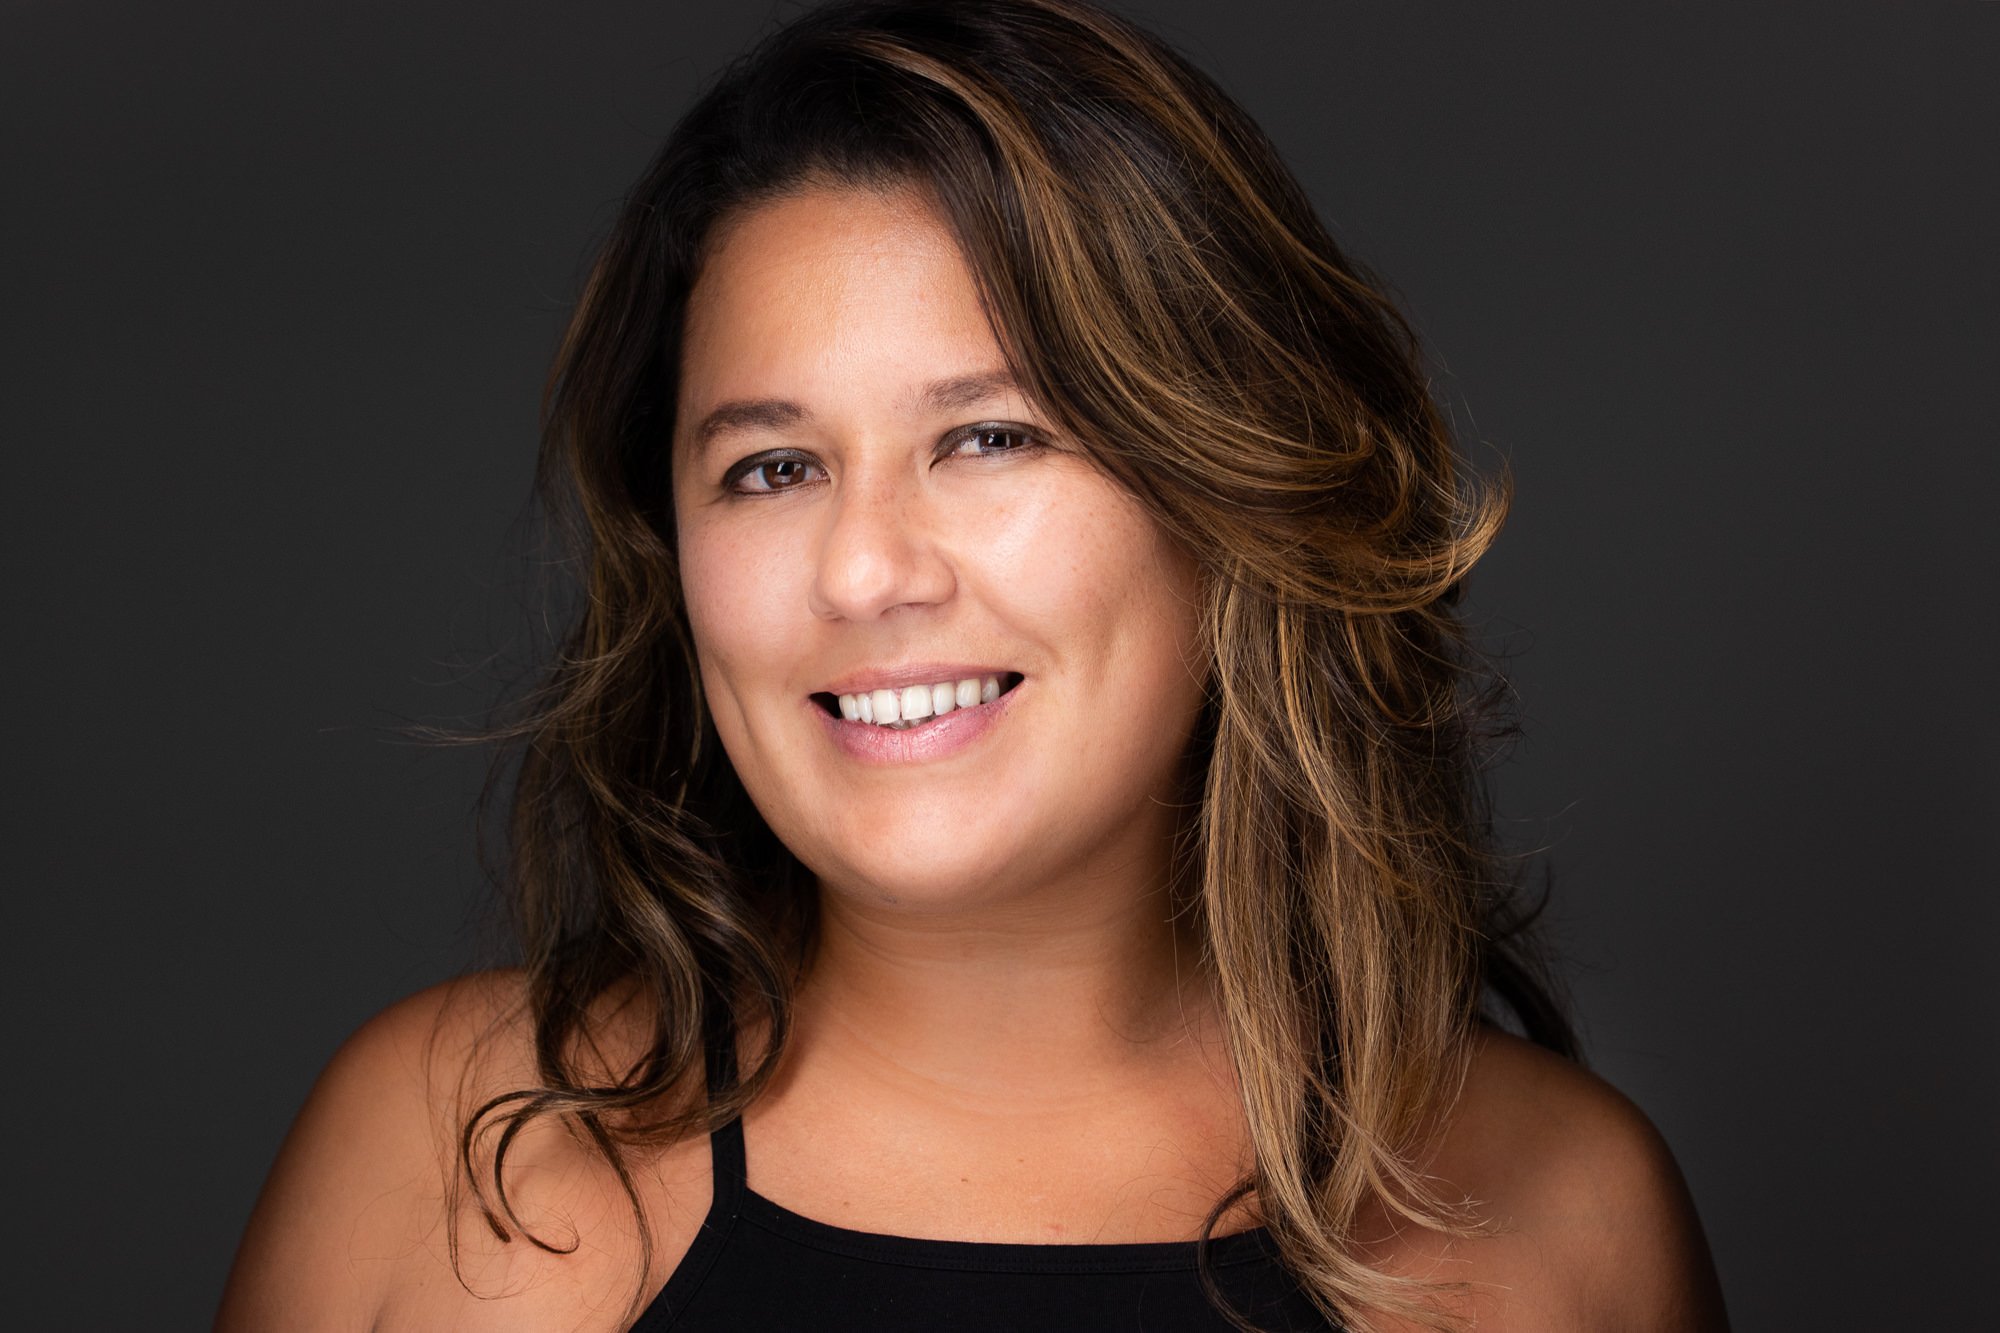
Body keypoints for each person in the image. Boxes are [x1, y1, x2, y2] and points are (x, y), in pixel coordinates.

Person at [218, 1, 1728, 1328]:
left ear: (1230, 497)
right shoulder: (441, 1162)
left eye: (990, 437)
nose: (864, 570)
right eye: (771, 468)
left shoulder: (1566, 1220)